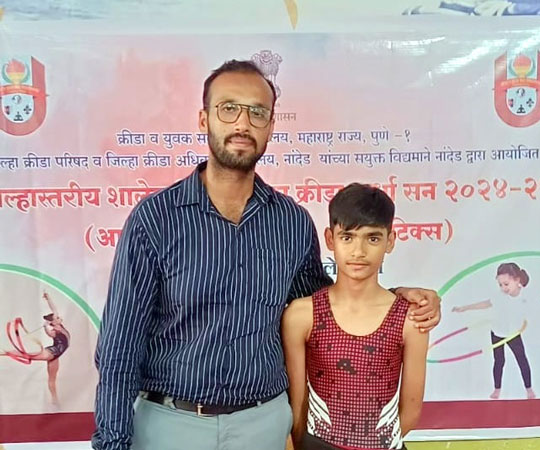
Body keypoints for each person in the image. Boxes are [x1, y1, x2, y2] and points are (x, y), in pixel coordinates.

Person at [92, 59, 441, 450]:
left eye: (257, 112)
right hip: (171, 425)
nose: (243, 123)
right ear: (204, 119)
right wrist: (113, 443)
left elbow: (327, 309)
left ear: (271, 126)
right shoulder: (156, 219)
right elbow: (120, 349)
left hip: (263, 427)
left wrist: (394, 300)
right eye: (229, 108)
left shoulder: (291, 222)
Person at [282, 183, 429, 450]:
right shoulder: (303, 314)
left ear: (390, 241)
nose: (358, 252)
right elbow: (297, 405)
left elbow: (410, 410)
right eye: (347, 237)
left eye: (372, 238)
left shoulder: (410, 318)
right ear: (330, 239)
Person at [452, 262, 540, 400]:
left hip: (513, 334)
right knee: (499, 361)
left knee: (522, 360)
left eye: (506, 284)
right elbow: (485, 304)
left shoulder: (527, 294)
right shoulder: (498, 295)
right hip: (497, 333)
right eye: (500, 285)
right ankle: (497, 389)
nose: (503, 288)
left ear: (517, 280)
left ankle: (529, 389)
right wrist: (465, 308)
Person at [1, 291, 70, 407]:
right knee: (25, 354)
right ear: (53, 321)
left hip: (56, 356)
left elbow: (54, 309)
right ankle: (3, 352)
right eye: (56, 317)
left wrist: (48, 298)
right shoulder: (54, 331)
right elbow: (50, 331)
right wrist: (45, 326)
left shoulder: (59, 326)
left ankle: (55, 400)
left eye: (57, 317)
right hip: (51, 353)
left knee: (52, 379)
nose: (58, 317)